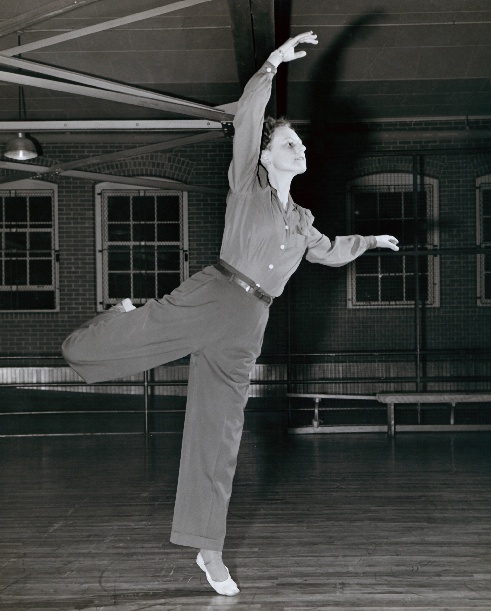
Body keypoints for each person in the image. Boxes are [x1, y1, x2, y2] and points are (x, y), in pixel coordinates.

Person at [61, 31, 398, 597]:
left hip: (249, 325)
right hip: (215, 294)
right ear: (266, 155)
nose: (300, 151)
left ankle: (208, 551)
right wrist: (270, 65)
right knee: (123, 343)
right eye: (289, 145)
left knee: (219, 437)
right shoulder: (248, 187)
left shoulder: (301, 221)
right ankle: (106, 326)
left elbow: (331, 249)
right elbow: (247, 119)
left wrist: (369, 241)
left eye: (301, 147)